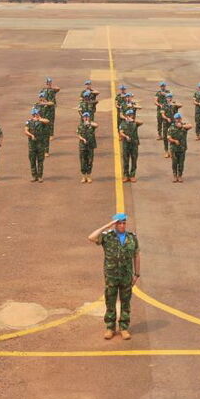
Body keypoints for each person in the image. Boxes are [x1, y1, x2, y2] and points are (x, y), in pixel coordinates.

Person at [88, 213, 140, 341]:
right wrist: (108, 225)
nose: (122, 225)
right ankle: (110, 328)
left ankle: (124, 328)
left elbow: (136, 255)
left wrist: (136, 274)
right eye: (119, 223)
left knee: (125, 302)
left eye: (123, 223)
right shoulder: (107, 237)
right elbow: (91, 237)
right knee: (110, 302)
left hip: (126, 276)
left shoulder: (132, 238)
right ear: (115, 224)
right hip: (111, 276)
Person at [24, 107, 49, 182]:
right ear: (32, 114)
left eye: (37, 113)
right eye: (35, 114)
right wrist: (31, 135)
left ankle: (40, 176)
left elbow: (48, 121)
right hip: (32, 145)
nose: (37, 115)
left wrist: (39, 119)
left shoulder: (42, 121)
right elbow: (25, 130)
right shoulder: (29, 122)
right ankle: (34, 176)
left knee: (40, 161)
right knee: (32, 161)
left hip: (40, 144)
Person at [166, 112, 191, 182]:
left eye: (179, 118)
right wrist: (174, 141)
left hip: (182, 148)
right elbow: (168, 137)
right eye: (177, 119)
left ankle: (180, 176)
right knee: (174, 163)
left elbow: (190, 126)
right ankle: (174, 175)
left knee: (181, 163)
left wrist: (182, 126)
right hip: (174, 148)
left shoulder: (184, 126)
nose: (178, 120)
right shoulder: (171, 127)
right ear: (175, 119)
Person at [118, 109, 142, 182]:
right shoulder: (123, 123)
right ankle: (125, 175)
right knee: (125, 160)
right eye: (129, 115)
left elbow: (141, 122)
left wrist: (133, 120)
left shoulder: (134, 123)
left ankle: (132, 175)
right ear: (126, 116)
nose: (131, 116)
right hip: (126, 144)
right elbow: (120, 132)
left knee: (134, 160)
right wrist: (125, 136)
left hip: (134, 144)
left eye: (131, 115)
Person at [76, 111, 98, 183]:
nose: (86, 118)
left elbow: (97, 125)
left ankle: (89, 176)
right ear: (82, 118)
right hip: (82, 146)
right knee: (82, 161)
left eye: (87, 117)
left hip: (90, 146)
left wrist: (89, 123)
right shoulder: (80, 126)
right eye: (84, 117)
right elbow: (78, 134)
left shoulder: (91, 125)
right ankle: (83, 177)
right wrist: (82, 139)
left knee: (90, 161)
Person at [34, 92, 55, 157]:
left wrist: (45, 103)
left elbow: (52, 103)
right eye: (40, 97)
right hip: (38, 123)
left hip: (46, 123)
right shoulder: (36, 105)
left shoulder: (47, 104)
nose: (41, 98)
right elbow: (33, 113)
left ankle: (46, 151)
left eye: (42, 97)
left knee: (46, 137)